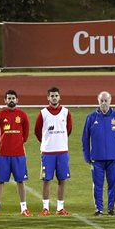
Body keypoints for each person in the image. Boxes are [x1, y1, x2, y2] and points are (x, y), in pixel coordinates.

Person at [81, 90, 115, 215]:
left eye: (106, 100)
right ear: (98, 101)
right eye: (101, 100)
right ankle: (99, 209)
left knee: (112, 184)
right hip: (97, 158)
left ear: (110, 101)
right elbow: (85, 138)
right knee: (98, 185)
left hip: (113, 157)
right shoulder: (91, 117)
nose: (104, 103)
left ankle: (111, 208)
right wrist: (87, 156)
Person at [0, 89, 31, 217]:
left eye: (13, 98)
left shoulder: (22, 115)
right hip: (3, 155)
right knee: (0, 181)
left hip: (19, 154)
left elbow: (26, 134)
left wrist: (18, 143)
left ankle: (24, 208)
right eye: (9, 98)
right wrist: (1, 144)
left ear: (17, 100)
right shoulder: (0, 115)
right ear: (5, 100)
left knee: (21, 181)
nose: (11, 100)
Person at [35, 86, 73, 215]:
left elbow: (68, 130)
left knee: (62, 180)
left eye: (56, 95)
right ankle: (45, 208)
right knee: (47, 180)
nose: (54, 98)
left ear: (59, 97)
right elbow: (38, 131)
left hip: (62, 151)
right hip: (48, 152)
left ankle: (60, 208)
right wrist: (47, 142)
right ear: (48, 98)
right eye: (52, 96)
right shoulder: (43, 113)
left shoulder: (66, 112)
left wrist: (60, 141)